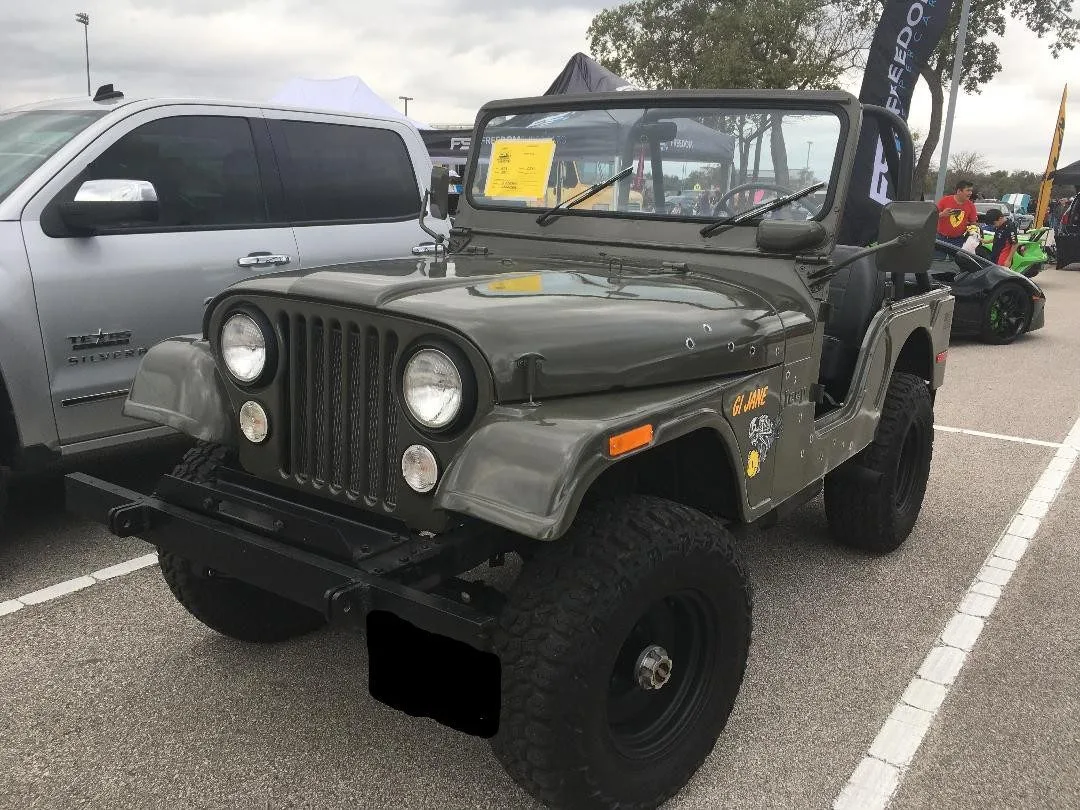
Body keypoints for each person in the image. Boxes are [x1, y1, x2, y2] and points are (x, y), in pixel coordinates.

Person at [936, 180, 978, 246]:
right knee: (938, 257)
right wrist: (942, 214)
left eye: (971, 191)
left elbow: (973, 223)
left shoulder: (971, 206)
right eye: (968, 190)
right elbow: (932, 217)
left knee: (956, 256)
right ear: (959, 191)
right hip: (941, 238)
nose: (970, 193)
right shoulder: (945, 200)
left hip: (958, 240)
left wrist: (974, 229)